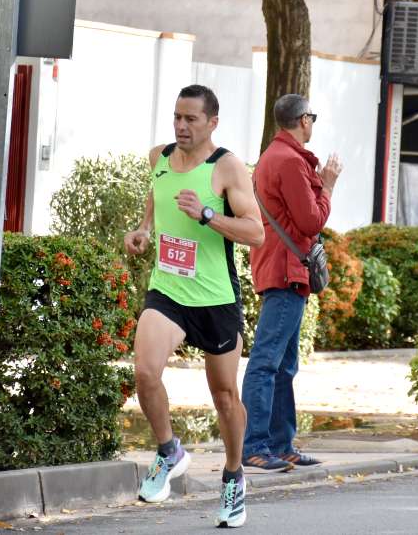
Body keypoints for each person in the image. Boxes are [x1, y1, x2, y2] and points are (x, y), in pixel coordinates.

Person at [123, 84, 265, 529]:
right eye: (177, 118)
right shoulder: (158, 158)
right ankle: (169, 452)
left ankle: (233, 475)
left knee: (224, 396)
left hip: (215, 298)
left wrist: (206, 214)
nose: (182, 127)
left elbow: (255, 231)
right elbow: (156, 197)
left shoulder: (227, 168)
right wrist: (144, 229)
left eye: (191, 120)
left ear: (212, 123)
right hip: (168, 290)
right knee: (145, 373)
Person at [242, 94, 343, 473]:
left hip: (282, 268)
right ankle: (254, 446)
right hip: (286, 271)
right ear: (303, 120)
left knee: (283, 365)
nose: (312, 123)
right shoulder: (288, 161)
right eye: (311, 117)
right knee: (267, 363)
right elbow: (312, 221)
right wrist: (328, 185)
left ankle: (281, 445)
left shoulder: (276, 157)